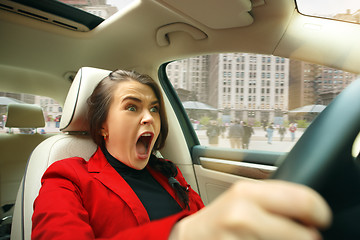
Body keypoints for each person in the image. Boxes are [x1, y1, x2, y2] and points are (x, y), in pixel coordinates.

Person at [32, 70, 332, 240]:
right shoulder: (67, 176)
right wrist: (183, 235)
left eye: (153, 108)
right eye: (132, 107)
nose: (149, 117)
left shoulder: (169, 173)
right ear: (104, 126)